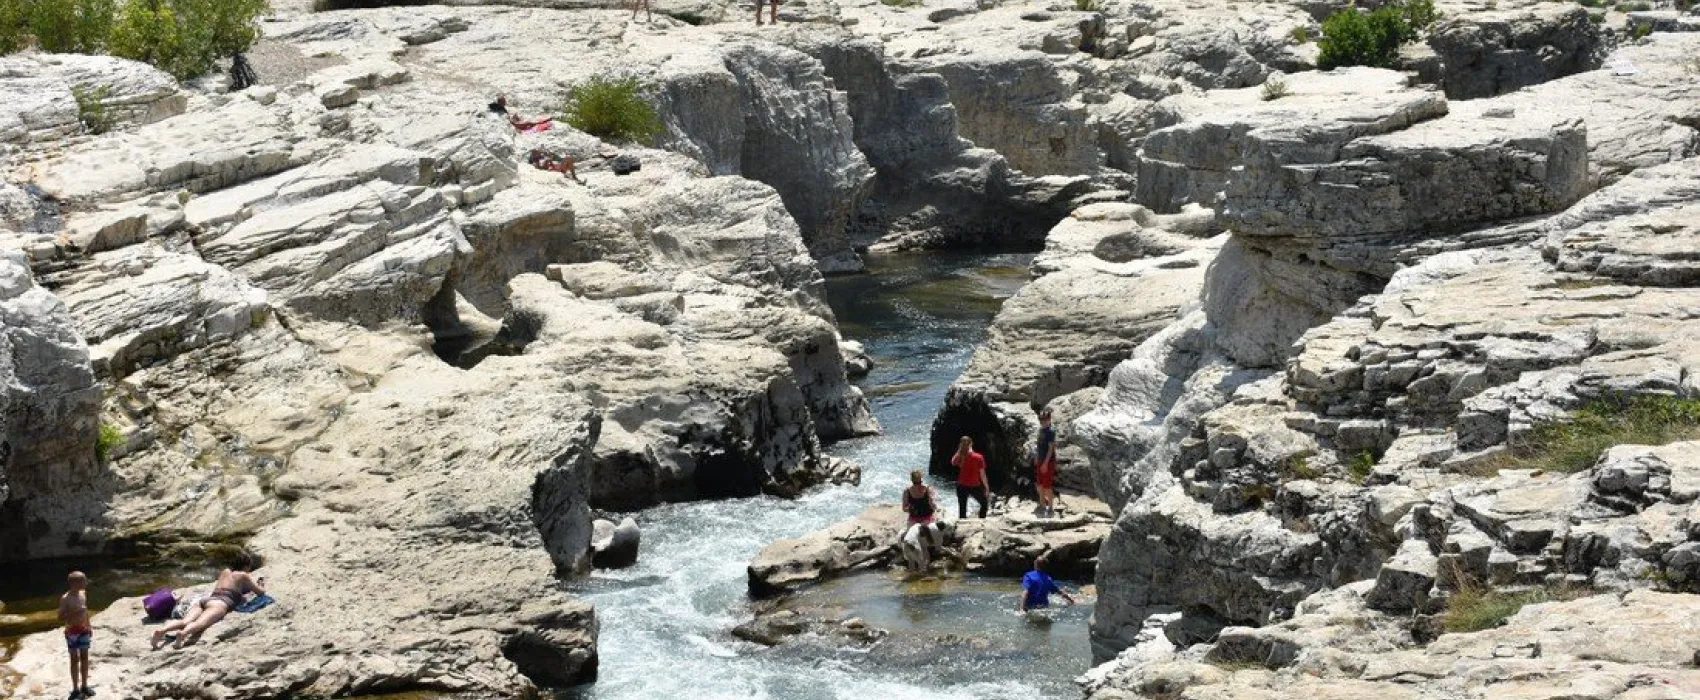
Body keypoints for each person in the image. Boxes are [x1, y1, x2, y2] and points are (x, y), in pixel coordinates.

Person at [151, 565, 266, 650]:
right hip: (219, 603)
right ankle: (183, 634)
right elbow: (260, 592)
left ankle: (162, 630)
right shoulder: (243, 575)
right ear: (245, 566)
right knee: (200, 624)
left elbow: (233, 588)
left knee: (184, 621)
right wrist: (261, 585)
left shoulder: (225, 572)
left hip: (205, 600)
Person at [59, 571, 93, 699]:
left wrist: (89, 626)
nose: (86, 582)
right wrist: (76, 612)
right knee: (74, 659)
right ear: (75, 583)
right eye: (84, 580)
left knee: (85, 657)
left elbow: (86, 611)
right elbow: (60, 617)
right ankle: (75, 689)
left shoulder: (83, 594)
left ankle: (84, 685)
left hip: (83, 630)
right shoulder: (66, 598)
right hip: (72, 631)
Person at [950, 435, 991, 519]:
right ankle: (981, 521)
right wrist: (986, 487)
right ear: (971, 444)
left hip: (961, 486)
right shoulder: (978, 457)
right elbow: (982, 475)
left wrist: (959, 450)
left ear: (960, 445)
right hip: (974, 485)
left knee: (962, 509)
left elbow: (952, 462)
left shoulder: (960, 456)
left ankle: (962, 527)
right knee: (984, 504)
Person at [1035, 407, 1060, 517]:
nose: (1043, 422)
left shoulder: (1051, 432)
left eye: (1045, 419)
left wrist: (1045, 463)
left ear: (1049, 419)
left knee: (1047, 486)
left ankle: (1050, 507)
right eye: (1041, 420)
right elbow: (1039, 446)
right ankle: (1042, 504)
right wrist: (1037, 457)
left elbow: (1051, 449)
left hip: (1048, 462)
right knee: (1039, 484)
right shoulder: (1041, 430)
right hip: (1040, 460)